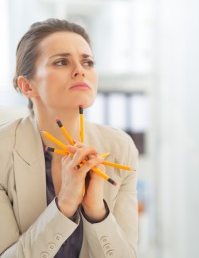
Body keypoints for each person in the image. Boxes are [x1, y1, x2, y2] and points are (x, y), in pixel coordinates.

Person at [0, 19, 139, 258]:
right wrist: (64, 206)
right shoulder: (3, 150)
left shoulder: (119, 147)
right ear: (27, 86)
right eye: (62, 62)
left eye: (88, 62)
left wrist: (97, 212)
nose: (80, 70)